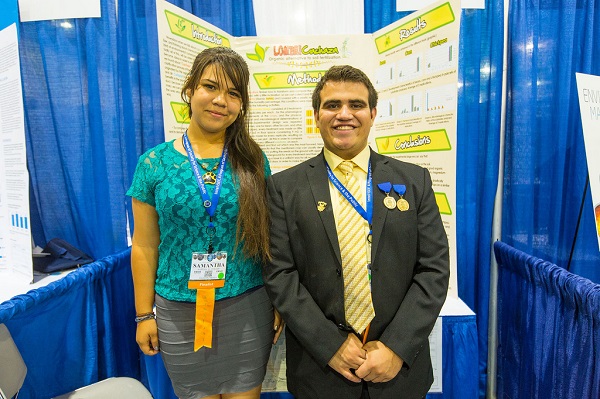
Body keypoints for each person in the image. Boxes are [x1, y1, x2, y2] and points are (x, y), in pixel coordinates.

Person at [263, 65, 449, 399]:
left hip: (397, 372)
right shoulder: (283, 188)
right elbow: (280, 274)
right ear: (317, 115)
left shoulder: (414, 180)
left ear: (373, 113)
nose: (344, 114)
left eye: (356, 105)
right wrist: (329, 344)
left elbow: (434, 269)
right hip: (321, 371)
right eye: (332, 105)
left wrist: (395, 347)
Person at [127, 46, 283, 399]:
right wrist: (142, 315)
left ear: (241, 104)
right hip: (178, 311)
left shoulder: (253, 159)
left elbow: (269, 238)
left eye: (233, 93)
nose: (220, 100)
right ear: (190, 90)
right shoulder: (154, 163)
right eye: (210, 86)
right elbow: (144, 244)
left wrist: (279, 301)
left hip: (247, 305)